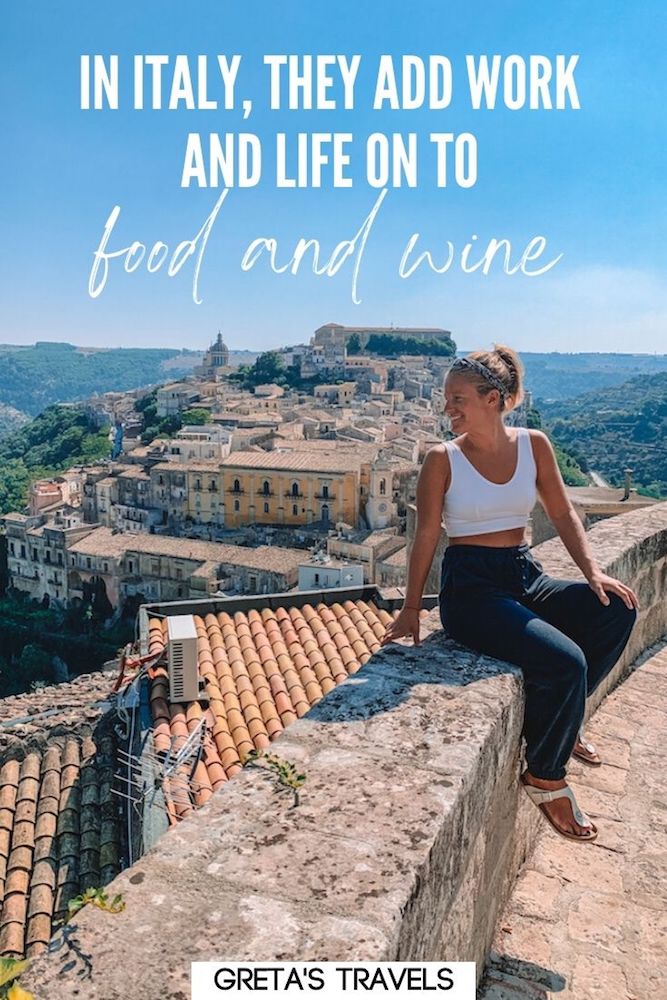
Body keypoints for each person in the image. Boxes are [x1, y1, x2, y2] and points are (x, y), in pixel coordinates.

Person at [381, 345, 638, 843]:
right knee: (566, 662)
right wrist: (413, 607)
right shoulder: (443, 459)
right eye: (446, 399)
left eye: (457, 399)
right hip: (471, 591)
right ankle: (545, 774)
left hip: (524, 572)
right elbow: (428, 537)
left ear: (494, 399)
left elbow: (563, 514)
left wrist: (591, 573)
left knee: (616, 609)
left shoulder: (534, 445)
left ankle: (566, 719)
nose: (447, 409)